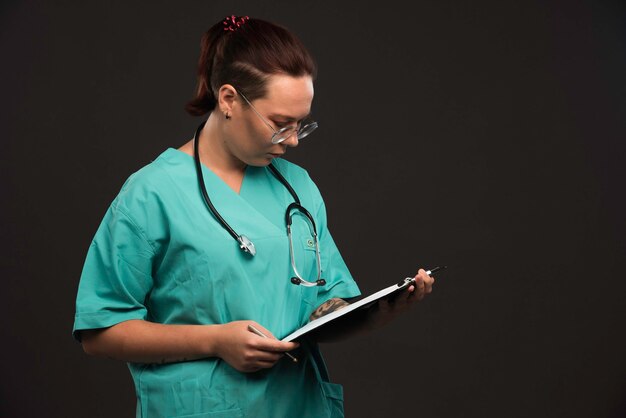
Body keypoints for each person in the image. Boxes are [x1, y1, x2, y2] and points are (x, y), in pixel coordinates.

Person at [73, 15, 435, 418]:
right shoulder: (150, 195)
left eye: (302, 124)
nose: (294, 141)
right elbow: (100, 331)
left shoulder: (298, 188)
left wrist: (372, 313)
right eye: (281, 124)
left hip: (296, 405)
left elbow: (322, 306)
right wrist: (215, 341)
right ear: (228, 99)